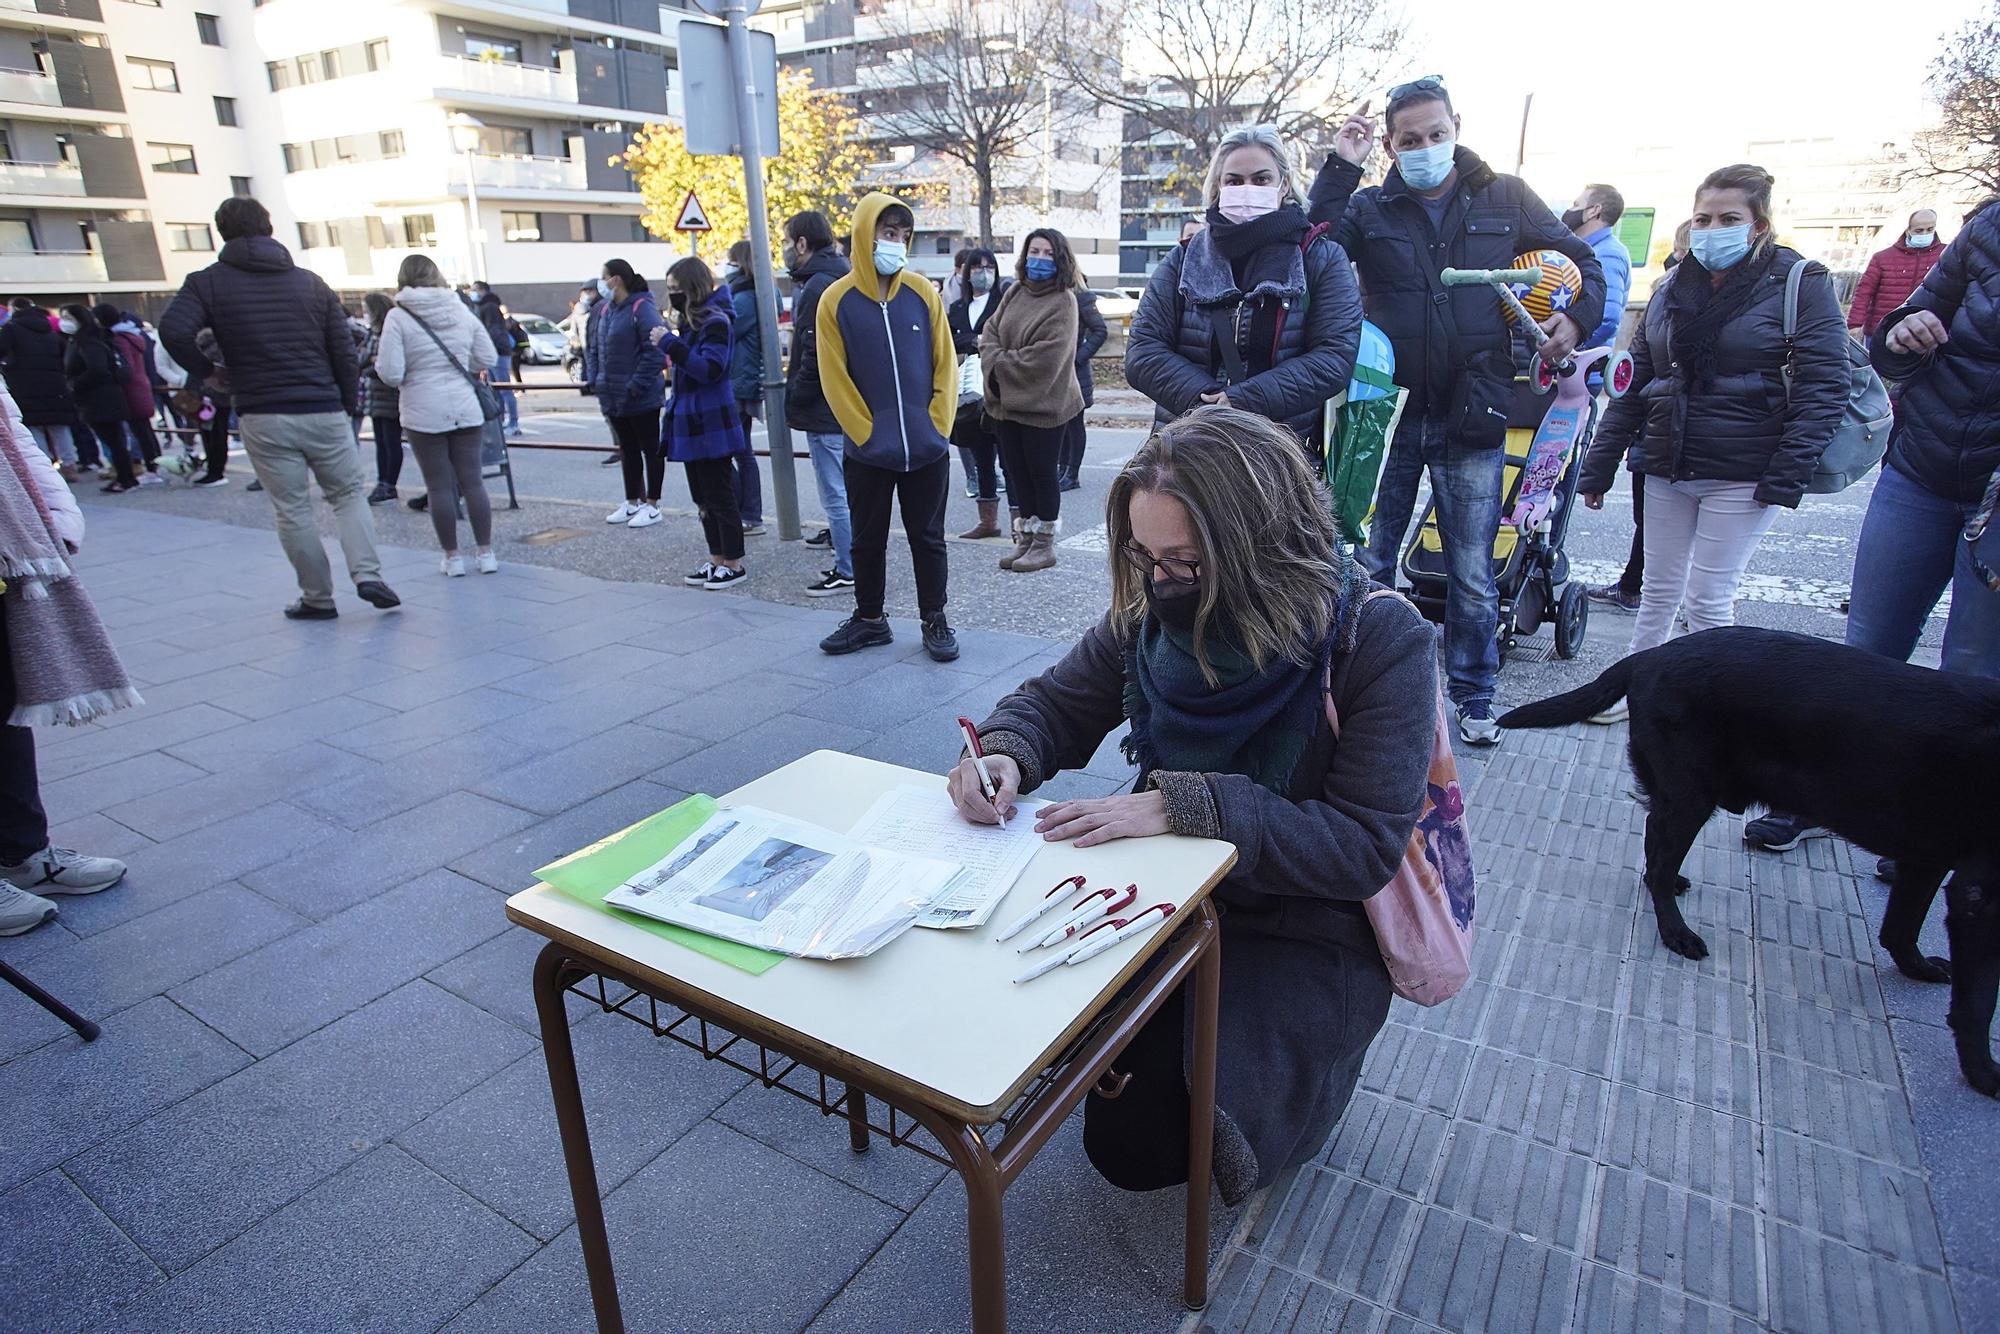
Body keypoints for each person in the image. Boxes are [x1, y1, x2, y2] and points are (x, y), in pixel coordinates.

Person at [947, 405, 1437, 1202]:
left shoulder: (1379, 641)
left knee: (1139, 1144)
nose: (1159, 581)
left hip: (1303, 925)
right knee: (1015, 1019)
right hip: (1165, 894)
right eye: (1143, 555)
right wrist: (1002, 752)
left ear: (1262, 548)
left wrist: (1192, 806)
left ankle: (1311, 1083)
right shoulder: (1148, 613)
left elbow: (1361, 848)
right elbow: (1056, 705)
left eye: (1187, 562)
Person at [1311, 77, 1606, 744]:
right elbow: (1312, 246)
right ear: (1390, 145)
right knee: (1364, 560)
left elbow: (1582, 260)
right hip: (1385, 417)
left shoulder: (1505, 196)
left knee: (1472, 570)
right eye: (1408, 140)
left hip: (1473, 413)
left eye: (1435, 134)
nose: (1424, 148)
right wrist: (1341, 164)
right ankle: (1357, 693)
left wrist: (1574, 320)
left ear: (1456, 126)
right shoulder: (1370, 207)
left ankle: (1474, 694)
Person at [1745, 194, 2000, 853]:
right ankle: (1821, 798)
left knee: (1973, 674)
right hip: (1921, 466)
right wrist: (1904, 333)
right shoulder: (1987, 231)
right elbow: (1893, 345)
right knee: (1866, 648)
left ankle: (1941, 833)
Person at [1579, 164, 1846, 725]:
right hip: (1666, 462)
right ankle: (1639, 693)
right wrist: (1599, 468)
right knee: (1657, 592)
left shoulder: (1800, 281)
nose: (1712, 229)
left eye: (1729, 218)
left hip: (1743, 467)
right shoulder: (1673, 286)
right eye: (1703, 218)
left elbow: (1825, 387)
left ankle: (1708, 714)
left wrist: (1785, 475)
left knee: (1707, 600)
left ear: (1759, 224)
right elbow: (1638, 380)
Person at [159, 194, 399, 620]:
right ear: (269, 228)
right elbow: (343, 351)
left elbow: (173, 331)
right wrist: (344, 403)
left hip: (262, 409)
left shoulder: (207, 282)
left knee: (292, 507)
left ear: (222, 232)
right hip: (322, 406)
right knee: (346, 495)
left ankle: (318, 597)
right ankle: (368, 574)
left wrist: (209, 371)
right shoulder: (310, 282)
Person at [1127, 124, 1363, 456]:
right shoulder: (1183, 258)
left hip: (1278, 455)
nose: (1247, 188)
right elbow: (1143, 352)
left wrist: (1243, 400)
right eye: (1234, 180)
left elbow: (1334, 356)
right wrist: (1209, 406)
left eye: (1261, 179)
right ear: (1218, 188)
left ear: (1283, 186)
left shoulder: (1321, 259)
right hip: (1186, 449)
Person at [0, 386, 135, 935]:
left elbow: (12, 429)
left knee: (9, 695)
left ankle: (23, 853)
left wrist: (53, 513)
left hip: (12, 536)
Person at [814, 192, 960, 661]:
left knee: (928, 539)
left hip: (926, 448)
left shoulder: (921, 294)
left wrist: (938, 425)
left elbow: (946, 366)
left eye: (901, 235)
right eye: (886, 233)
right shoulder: (835, 301)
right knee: (866, 537)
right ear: (864, 234)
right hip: (868, 451)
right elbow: (833, 377)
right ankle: (870, 618)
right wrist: (865, 434)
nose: (894, 243)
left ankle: (934, 617)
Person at [375, 254, 500, 576]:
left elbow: (390, 372)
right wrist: (464, 368)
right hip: (465, 406)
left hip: (422, 408)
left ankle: (452, 557)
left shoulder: (398, 317)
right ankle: (486, 554)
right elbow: (486, 355)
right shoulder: (459, 308)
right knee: (473, 482)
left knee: (439, 486)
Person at [1591, 218, 1693, 613]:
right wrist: (1600, 466)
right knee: (1655, 544)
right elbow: (1632, 385)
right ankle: (1634, 587)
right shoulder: (1664, 296)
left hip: (1713, 453)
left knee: (1704, 590)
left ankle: (1640, 589)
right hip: (1656, 441)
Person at [980, 228, 1083, 573]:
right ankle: (1025, 536)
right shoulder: (1015, 292)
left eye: (1048, 253)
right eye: (1034, 251)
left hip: (1045, 404)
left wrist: (998, 363)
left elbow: (1047, 357)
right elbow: (989, 333)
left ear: (1061, 259)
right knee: (1016, 472)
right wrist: (998, 359)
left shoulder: (1064, 301)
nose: (1039, 259)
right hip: (1006, 404)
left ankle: (1044, 543)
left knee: (1042, 473)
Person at [653, 256, 749, 590]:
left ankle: (734, 562)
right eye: (669, 290)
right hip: (693, 421)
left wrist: (669, 344)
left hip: (711, 422)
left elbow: (710, 369)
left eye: (676, 289)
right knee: (701, 497)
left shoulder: (716, 321)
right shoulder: (692, 322)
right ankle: (717, 559)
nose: (672, 296)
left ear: (693, 288)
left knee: (719, 494)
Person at [785, 211, 857, 596]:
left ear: (801, 243)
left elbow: (813, 354)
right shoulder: (843, 276)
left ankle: (848, 568)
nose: (784, 250)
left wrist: (798, 395)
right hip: (845, 402)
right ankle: (852, 558)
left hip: (825, 407)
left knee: (836, 493)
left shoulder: (816, 286)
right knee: (847, 490)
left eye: (786, 241)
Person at [585, 258, 668, 529]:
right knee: (628, 449)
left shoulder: (641, 308)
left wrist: (636, 385)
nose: (601, 282)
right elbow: (596, 348)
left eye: (604, 276)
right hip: (612, 393)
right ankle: (632, 501)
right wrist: (597, 379)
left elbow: (655, 350)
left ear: (616, 279)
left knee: (650, 449)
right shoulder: (607, 310)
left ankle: (653, 504)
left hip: (639, 395)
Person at [946, 246, 1008, 538]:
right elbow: (949, 342)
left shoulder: (1003, 303)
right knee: (981, 457)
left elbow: (1003, 340)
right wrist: (976, 340)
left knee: (1009, 460)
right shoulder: (958, 308)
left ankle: (1022, 526)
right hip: (967, 391)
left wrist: (969, 341)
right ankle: (988, 521)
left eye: (989, 267)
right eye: (977, 267)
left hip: (999, 388)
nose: (983, 273)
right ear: (966, 272)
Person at [60, 305, 139, 494]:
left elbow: (98, 369)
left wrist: (75, 384)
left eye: (68, 317)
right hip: (96, 398)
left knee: (114, 440)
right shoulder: (81, 340)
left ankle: (125, 478)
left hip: (101, 398)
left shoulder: (89, 342)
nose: (64, 322)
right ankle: (125, 476)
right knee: (113, 440)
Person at [0, 300, 82, 476]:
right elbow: (65, 358)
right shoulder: (49, 330)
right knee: (59, 425)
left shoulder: (11, 329)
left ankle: (46, 468)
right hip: (55, 384)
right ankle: (70, 464)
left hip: (24, 384)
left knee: (34, 426)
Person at [722, 239, 766, 536]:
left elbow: (726, 330)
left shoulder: (743, 297)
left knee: (737, 451)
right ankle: (749, 512)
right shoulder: (760, 290)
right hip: (746, 377)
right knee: (741, 450)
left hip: (740, 379)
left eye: (730, 260)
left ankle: (748, 512)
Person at [1848, 209, 1945, 339]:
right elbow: (1864, 292)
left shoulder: (1945, 256)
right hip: (1882, 330)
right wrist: (1854, 324)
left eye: (1930, 229)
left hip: (1924, 334)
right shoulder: (1883, 258)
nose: (1925, 234)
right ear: (1908, 230)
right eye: (1919, 230)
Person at [99, 306, 164, 483]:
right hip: (141, 385)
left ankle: (152, 468)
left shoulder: (119, 340)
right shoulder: (133, 336)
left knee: (140, 430)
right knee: (144, 430)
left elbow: (126, 369)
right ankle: (154, 465)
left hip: (131, 389)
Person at [1565, 184, 1632, 351]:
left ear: (1593, 210)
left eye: (1576, 205)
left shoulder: (1608, 254)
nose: (1570, 211)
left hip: (1585, 371)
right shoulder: (1591, 249)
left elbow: (1606, 318)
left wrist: (1563, 347)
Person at [1060, 285, 1109, 492]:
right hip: (1057, 372)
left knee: (1074, 423)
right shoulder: (1054, 292)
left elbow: (1100, 330)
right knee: (1060, 423)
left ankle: (1072, 474)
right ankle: (1062, 470)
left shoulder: (1081, 295)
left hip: (1076, 373)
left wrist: (1078, 358)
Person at [359, 292, 403, 504]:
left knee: (391, 441)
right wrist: (372, 362)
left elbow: (387, 366)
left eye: (367, 310)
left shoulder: (390, 331)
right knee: (381, 443)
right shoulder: (370, 334)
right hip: (375, 396)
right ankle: (382, 481)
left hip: (390, 395)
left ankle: (389, 484)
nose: (364, 314)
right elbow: (359, 360)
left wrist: (373, 364)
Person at [471, 283, 519, 437]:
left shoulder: (488, 306)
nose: (473, 293)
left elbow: (493, 330)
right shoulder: (488, 306)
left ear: (482, 290)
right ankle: (502, 421)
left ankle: (512, 422)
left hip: (497, 351)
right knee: (497, 389)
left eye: (475, 289)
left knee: (504, 389)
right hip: (496, 351)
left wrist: (487, 348)